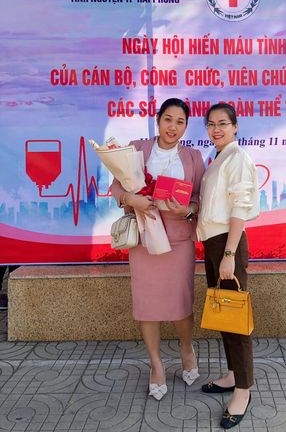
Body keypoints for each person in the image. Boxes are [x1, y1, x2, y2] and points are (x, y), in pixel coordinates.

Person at [109, 98, 205, 401]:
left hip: (178, 241)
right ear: (158, 119)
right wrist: (131, 200)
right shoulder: (137, 149)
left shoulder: (193, 157)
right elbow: (116, 186)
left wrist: (187, 211)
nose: (173, 127)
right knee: (147, 304)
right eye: (168, 119)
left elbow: (199, 199)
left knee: (181, 302)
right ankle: (156, 364)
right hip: (144, 237)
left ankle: (187, 350)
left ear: (186, 127)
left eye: (180, 122)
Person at [197, 103, 260, 429]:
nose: (216, 129)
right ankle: (233, 374)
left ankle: (243, 391)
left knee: (236, 321)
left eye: (223, 123)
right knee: (225, 315)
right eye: (211, 124)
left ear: (235, 126)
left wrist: (229, 254)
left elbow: (239, 208)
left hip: (227, 244)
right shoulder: (218, 158)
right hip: (213, 243)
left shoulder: (238, 158)